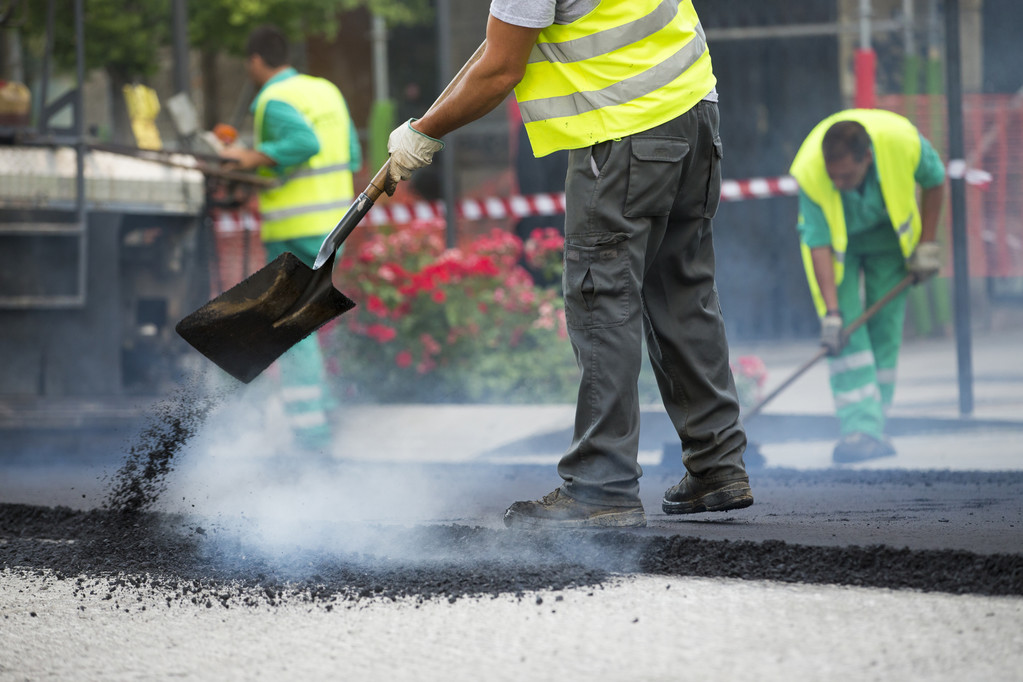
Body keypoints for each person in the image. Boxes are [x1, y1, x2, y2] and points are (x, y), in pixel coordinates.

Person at [385, 0, 754, 528]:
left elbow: (501, 69)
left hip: (624, 130)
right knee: (682, 293)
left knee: (602, 299)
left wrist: (425, 134)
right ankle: (717, 465)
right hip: (695, 117)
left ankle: (601, 486)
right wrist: (423, 127)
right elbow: (498, 47)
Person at [221, 24, 362, 455]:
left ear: (255, 61)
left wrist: (251, 158)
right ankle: (323, 413)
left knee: (290, 327)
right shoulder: (326, 90)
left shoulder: (272, 98)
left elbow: (303, 143)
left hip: (294, 229)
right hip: (335, 224)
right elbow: (352, 154)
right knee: (309, 323)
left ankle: (310, 436)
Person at [789, 109, 944, 464]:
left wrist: (928, 246)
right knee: (844, 332)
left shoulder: (902, 143)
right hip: (840, 247)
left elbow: (935, 180)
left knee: (885, 329)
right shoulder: (811, 171)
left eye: (847, 176)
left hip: (888, 243)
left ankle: (875, 426)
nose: (839, 183)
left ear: (867, 158)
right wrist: (832, 314)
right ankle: (857, 429)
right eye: (834, 177)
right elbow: (818, 243)